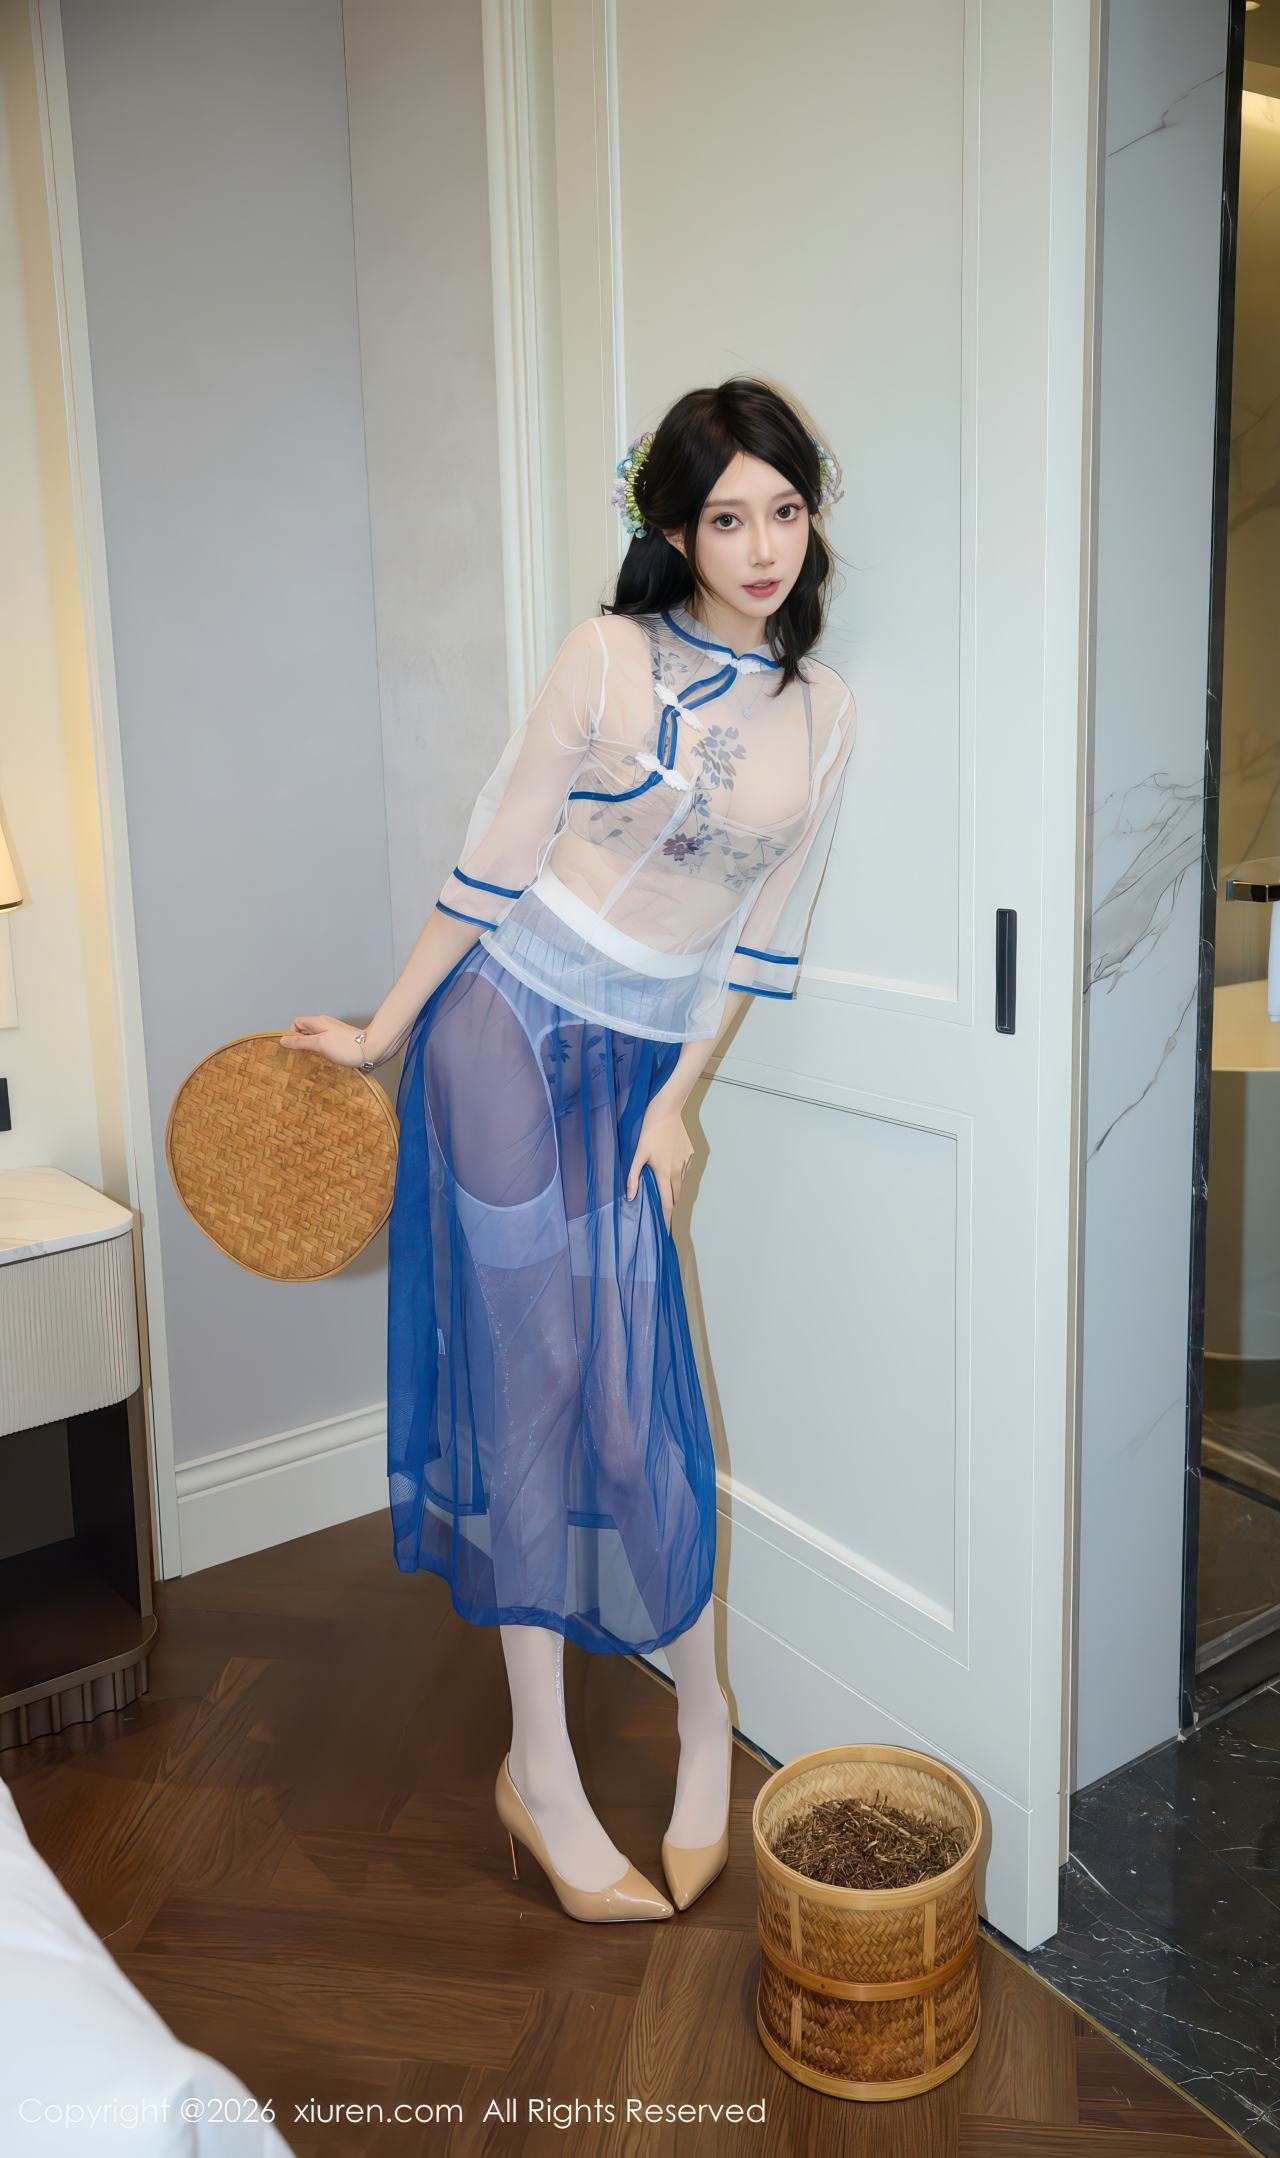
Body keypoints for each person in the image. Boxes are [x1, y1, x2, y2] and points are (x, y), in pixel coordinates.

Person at [281, 376, 858, 1923]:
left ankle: (704, 1715)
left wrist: (680, 1102)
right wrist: (383, 1030)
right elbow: (495, 859)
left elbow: (759, 941)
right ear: (674, 527)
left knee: (631, 1401)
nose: (762, 547)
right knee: (533, 1390)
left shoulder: (826, 713)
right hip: (504, 1033)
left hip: (639, 1071)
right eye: (726, 518)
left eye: (784, 511)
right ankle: (538, 1771)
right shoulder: (605, 656)